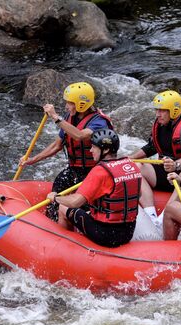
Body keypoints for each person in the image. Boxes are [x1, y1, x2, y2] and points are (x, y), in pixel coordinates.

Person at [20, 82, 113, 221]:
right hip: (75, 169)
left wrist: (56, 118)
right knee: (59, 185)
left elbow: (80, 135)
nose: (66, 106)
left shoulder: (99, 122)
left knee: (84, 204)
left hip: (94, 172)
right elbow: (56, 145)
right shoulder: (69, 118)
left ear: (80, 104)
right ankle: (53, 222)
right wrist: (33, 160)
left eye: (69, 103)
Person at [46, 129, 141, 247]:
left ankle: (61, 246)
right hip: (128, 231)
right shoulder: (131, 165)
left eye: (94, 147)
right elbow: (139, 195)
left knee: (63, 207)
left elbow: (75, 202)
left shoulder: (100, 171)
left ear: (105, 150)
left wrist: (56, 198)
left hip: (106, 234)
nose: (91, 150)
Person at [128, 90, 181, 225]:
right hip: (168, 172)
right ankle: (151, 215)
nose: (158, 114)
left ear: (174, 111)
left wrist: (175, 165)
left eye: (162, 110)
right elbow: (152, 147)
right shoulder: (161, 124)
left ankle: (163, 218)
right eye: (157, 110)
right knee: (135, 166)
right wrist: (130, 158)